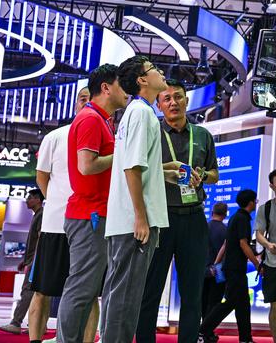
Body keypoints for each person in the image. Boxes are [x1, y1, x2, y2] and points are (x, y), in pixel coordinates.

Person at [136, 80, 219, 343]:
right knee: (150, 291)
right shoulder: (152, 133)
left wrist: (202, 175)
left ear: (187, 101)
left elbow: (215, 174)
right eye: (167, 98)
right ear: (159, 105)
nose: (173, 102)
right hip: (160, 218)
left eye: (178, 97)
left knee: (192, 294)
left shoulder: (202, 135)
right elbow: (139, 172)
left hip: (194, 218)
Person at [57, 64, 129, 343]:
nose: (127, 91)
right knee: (81, 288)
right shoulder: (90, 119)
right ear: (106, 88)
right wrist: (123, 155)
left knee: (86, 289)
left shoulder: (100, 120)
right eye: (122, 85)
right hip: (90, 215)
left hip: (95, 214)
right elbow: (86, 166)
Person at [101, 56, 170, 343]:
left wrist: (165, 172)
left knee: (119, 293)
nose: (161, 72)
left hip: (125, 221)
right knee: (126, 298)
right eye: (154, 69)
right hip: (134, 222)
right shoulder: (141, 113)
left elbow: (135, 165)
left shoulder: (136, 112)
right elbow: (132, 167)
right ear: (142, 80)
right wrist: (141, 217)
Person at [28, 87, 100, 343]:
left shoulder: (104, 136)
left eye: (91, 98)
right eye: (82, 98)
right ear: (75, 104)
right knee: (42, 290)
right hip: (55, 225)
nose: (86, 103)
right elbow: (42, 176)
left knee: (90, 293)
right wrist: (57, 202)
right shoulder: (55, 136)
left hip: (90, 225)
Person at [198, 190, 260, 343]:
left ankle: (246, 338)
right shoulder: (242, 219)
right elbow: (243, 244)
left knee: (243, 305)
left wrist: (217, 263)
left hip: (228, 268)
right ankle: (202, 330)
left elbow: (225, 245)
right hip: (235, 269)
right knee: (230, 302)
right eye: (255, 201)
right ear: (251, 202)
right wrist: (257, 264)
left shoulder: (234, 218)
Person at [0, 188, 44, 335]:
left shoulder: (41, 215)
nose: (27, 200)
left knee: (27, 291)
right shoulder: (38, 215)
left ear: (38, 199)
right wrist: (25, 260)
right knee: (38, 293)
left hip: (36, 262)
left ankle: (16, 323)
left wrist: (32, 262)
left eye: (30, 197)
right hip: (34, 261)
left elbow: (40, 240)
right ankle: (38, 326)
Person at [255, 168, 276, 343]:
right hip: (273, 261)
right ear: (271, 185)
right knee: (275, 304)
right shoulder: (266, 208)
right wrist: (268, 245)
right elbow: (259, 234)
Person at [201, 202, 229, 317]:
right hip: (219, 271)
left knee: (202, 300)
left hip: (202, 270)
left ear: (212, 213)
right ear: (225, 214)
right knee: (214, 303)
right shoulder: (226, 231)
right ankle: (208, 326)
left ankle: (201, 325)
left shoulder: (203, 228)